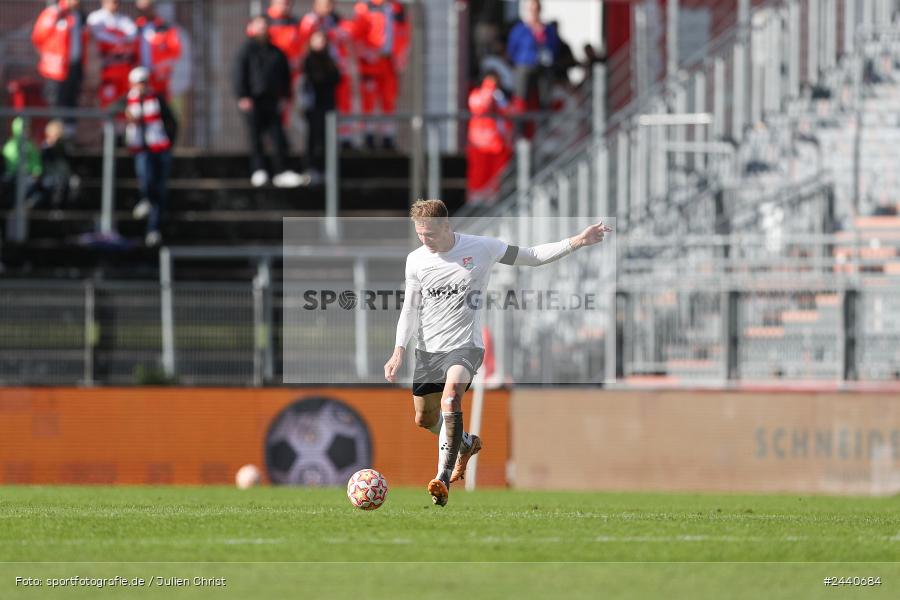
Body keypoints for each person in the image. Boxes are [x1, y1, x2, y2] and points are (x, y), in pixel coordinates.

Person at [383, 199, 612, 506]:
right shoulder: (416, 260)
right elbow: (410, 310)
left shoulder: (482, 247)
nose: (426, 240)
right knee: (424, 418)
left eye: (430, 234)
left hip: (465, 345)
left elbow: (530, 256)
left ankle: (442, 478)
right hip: (428, 351)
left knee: (452, 397)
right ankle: (465, 443)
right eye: (420, 234)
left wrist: (578, 241)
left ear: (446, 226)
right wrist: (399, 350)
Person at [233, 16, 307, 188]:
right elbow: (238, 74)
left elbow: (285, 77)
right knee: (255, 137)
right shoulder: (245, 51)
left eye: (265, 26)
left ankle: (281, 170)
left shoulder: (277, 52)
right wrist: (243, 95)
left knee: (278, 136)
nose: (262, 29)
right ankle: (259, 170)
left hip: (273, 100)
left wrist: (285, 97)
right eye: (259, 26)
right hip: (253, 100)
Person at [353, 0, 410, 150]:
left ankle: (388, 137)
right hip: (371, 62)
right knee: (369, 100)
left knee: (389, 99)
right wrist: (366, 52)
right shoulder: (364, 7)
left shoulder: (396, 7)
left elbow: (403, 32)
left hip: (389, 62)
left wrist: (400, 56)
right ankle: (369, 136)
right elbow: (357, 34)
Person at [124, 67, 171, 247]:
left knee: (159, 190)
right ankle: (145, 200)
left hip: (159, 148)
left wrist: (169, 141)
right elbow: (112, 111)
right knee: (147, 181)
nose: (142, 86)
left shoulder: (157, 99)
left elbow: (171, 120)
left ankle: (154, 229)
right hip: (142, 150)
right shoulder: (127, 101)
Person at [299, 0, 355, 148]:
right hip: (315, 80)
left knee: (339, 106)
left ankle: (344, 138)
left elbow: (348, 34)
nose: (328, 8)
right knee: (314, 121)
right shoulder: (311, 21)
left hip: (331, 77)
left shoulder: (335, 21)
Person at [31, 0, 89, 138]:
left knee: (71, 103)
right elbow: (38, 37)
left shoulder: (80, 16)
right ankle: (54, 140)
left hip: (74, 67)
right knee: (56, 105)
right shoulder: (53, 13)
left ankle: (69, 138)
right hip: (55, 70)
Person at [466, 72, 514, 203]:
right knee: (478, 172)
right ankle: (475, 201)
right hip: (479, 142)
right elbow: (480, 107)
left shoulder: (499, 96)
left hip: (496, 142)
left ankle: (492, 198)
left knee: (497, 174)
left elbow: (509, 113)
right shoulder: (476, 94)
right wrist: (488, 90)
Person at [301, 31, 341, 183]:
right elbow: (316, 79)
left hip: (328, 104)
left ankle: (326, 168)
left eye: (323, 40)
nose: (320, 43)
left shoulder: (330, 59)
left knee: (327, 138)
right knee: (313, 137)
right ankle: (311, 168)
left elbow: (336, 78)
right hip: (314, 105)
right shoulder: (309, 60)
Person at [506, 0, 560, 109]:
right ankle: (519, 124)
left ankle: (543, 124)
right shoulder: (520, 29)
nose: (534, 12)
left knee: (545, 98)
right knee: (520, 98)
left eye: (536, 9)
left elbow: (554, 46)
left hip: (544, 66)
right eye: (531, 9)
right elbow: (512, 48)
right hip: (524, 65)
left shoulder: (548, 29)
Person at [87, 0, 137, 112]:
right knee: (106, 100)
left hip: (122, 68)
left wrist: (115, 38)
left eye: (117, 2)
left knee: (124, 101)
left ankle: (120, 127)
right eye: (112, 1)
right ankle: (106, 127)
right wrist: (118, 37)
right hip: (104, 68)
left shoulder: (123, 19)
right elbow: (100, 37)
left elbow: (132, 35)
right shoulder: (95, 18)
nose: (115, 4)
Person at [134, 0, 182, 101]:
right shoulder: (136, 27)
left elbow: (175, 51)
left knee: (159, 104)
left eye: (147, 8)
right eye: (141, 9)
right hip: (140, 76)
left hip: (158, 77)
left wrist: (163, 67)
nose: (144, 12)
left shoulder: (165, 27)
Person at [266, 0, 304, 127]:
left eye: (288, 3)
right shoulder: (265, 22)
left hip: (290, 75)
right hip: (270, 76)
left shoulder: (295, 22)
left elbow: (301, 47)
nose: (286, 5)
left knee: (285, 112)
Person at [1, 118, 42, 208]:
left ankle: (21, 210)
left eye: (28, 128)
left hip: (29, 177)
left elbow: (36, 164)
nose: (27, 131)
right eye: (24, 128)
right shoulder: (10, 146)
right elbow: (11, 165)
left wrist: (36, 171)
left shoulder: (31, 145)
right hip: (14, 177)